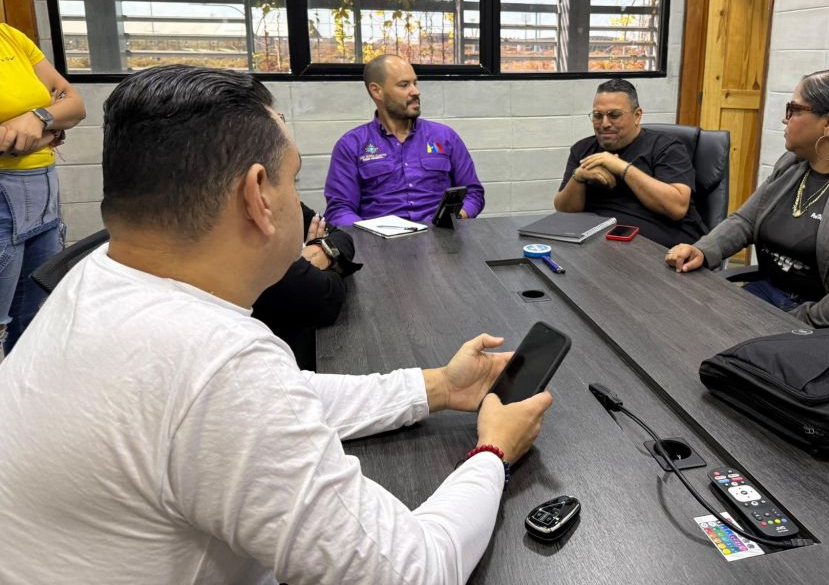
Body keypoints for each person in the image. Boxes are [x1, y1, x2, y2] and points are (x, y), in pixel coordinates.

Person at [0, 64, 552, 584]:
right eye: (294, 180)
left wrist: (437, 387)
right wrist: (493, 453)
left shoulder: (95, 278)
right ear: (257, 194)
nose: (304, 206)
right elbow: (415, 572)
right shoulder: (214, 361)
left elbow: (279, 399)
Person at [666, 69, 829, 330]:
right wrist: (704, 250)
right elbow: (745, 221)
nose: (784, 119)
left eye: (793, 110)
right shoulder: (792, 164)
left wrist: (795, 320)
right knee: (684, 321)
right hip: (772, 296)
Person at [0, 22, 85, 354]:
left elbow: (75, 105)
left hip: (42, 195)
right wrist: (52, 128)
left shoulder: (10, 37)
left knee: (36, 321)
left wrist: (37, 119)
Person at [324, 54, 484, 226]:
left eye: (415, 83)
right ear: (376, 91)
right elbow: (339, 209)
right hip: (379, 239)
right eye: (404, 85)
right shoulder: (352, 145)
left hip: (441, 236)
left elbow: (473, 193)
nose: (415, 91)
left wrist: (455, 217)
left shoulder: (444, 137)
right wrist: (368, 233)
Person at [554, 78, 705, 247]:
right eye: (597, 116)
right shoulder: (582, 150)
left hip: (663, 246)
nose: (604, 124)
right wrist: (578, 177)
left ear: (637, 115)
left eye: (614, 115)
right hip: (602, 244)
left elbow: (677, 208)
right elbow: (565, 211)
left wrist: (622, 168)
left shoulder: (666, 147)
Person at [252, 203, 362, 371]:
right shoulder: (246, 221)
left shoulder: (279, 206)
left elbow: (341, 237)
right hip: (273, 366)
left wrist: (319, 250)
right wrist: (327, 259)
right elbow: (327, 295)